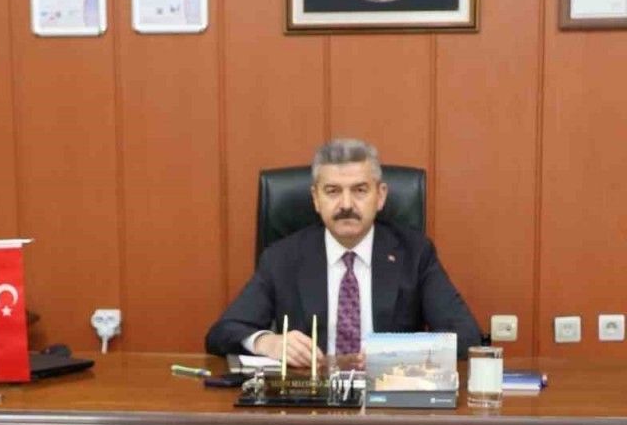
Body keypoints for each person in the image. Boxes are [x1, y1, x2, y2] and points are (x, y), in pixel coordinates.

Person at [205, 139, 481, 367]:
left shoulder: (415, 253)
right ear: (315, 198)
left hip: (390, 396)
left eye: (360, 190)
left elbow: (467, 336)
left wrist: (393, 352)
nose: (346, 204)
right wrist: (269, 342)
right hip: (310, 399)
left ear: (380, 196)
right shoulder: (282, 258)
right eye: (332, 191)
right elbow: (223, 332)